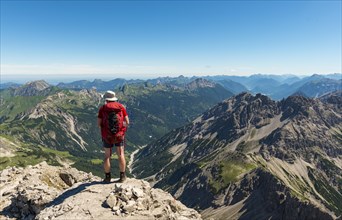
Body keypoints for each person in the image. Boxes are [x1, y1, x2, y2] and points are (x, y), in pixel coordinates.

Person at [97, 90, 129, 183]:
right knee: (121, 154)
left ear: (106, 99)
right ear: (114, 98)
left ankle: (107, 177)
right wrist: (121, 129)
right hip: (119, 135)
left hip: (107, 135)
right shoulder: (121, 107)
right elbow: (127, 122)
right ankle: (122, 176)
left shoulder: (103, 108)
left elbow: (98, 124)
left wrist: (105, 127)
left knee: (107, 156)